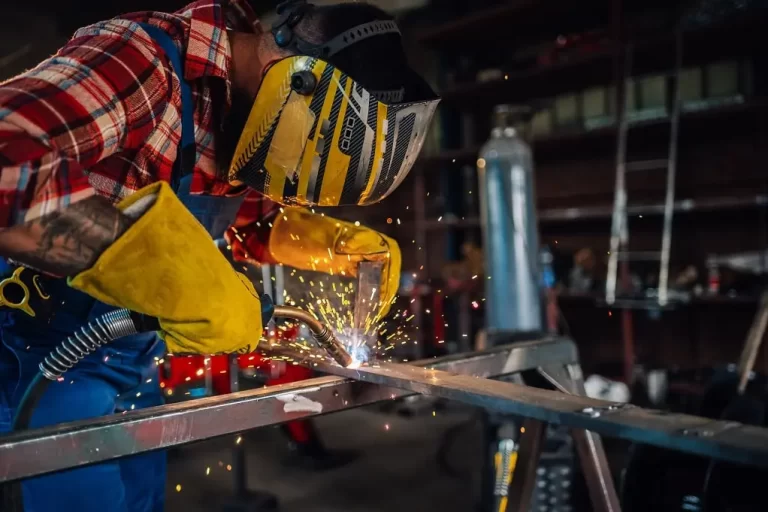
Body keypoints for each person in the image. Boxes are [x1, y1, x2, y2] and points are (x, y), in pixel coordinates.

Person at [0, 0, 439, 510]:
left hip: (131, 363)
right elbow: (8, 167)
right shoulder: (144, 61)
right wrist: (157, 268)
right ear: (293, 79)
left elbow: (244, 222)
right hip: (32, 356)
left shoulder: (248, 114)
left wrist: (328, 244)